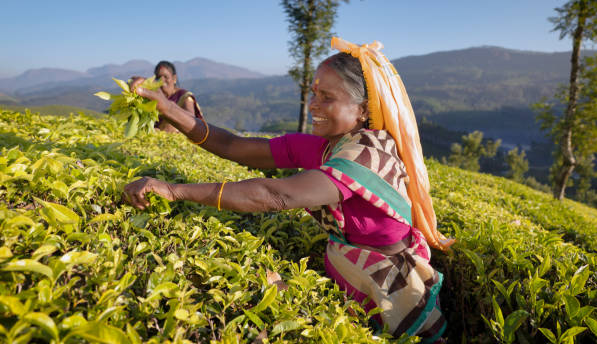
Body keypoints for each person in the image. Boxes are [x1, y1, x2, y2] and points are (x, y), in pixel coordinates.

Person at [124, 37, 454, 342]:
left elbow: (278, 195)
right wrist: (167, 109)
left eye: (328, 98)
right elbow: (235, 145)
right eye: (314, 93)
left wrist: (173, 190)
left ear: (364, 110)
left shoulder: (367, 152)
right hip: (351, 276)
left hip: (391, 291)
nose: (313, 105)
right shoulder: (327, 146)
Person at [139, 60, 204, 133]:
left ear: (174, 78)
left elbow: (192, 119)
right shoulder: (154, 97)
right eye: (158, 77)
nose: (162, 80)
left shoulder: (184, 97)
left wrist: (172, 120)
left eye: (166, 77)